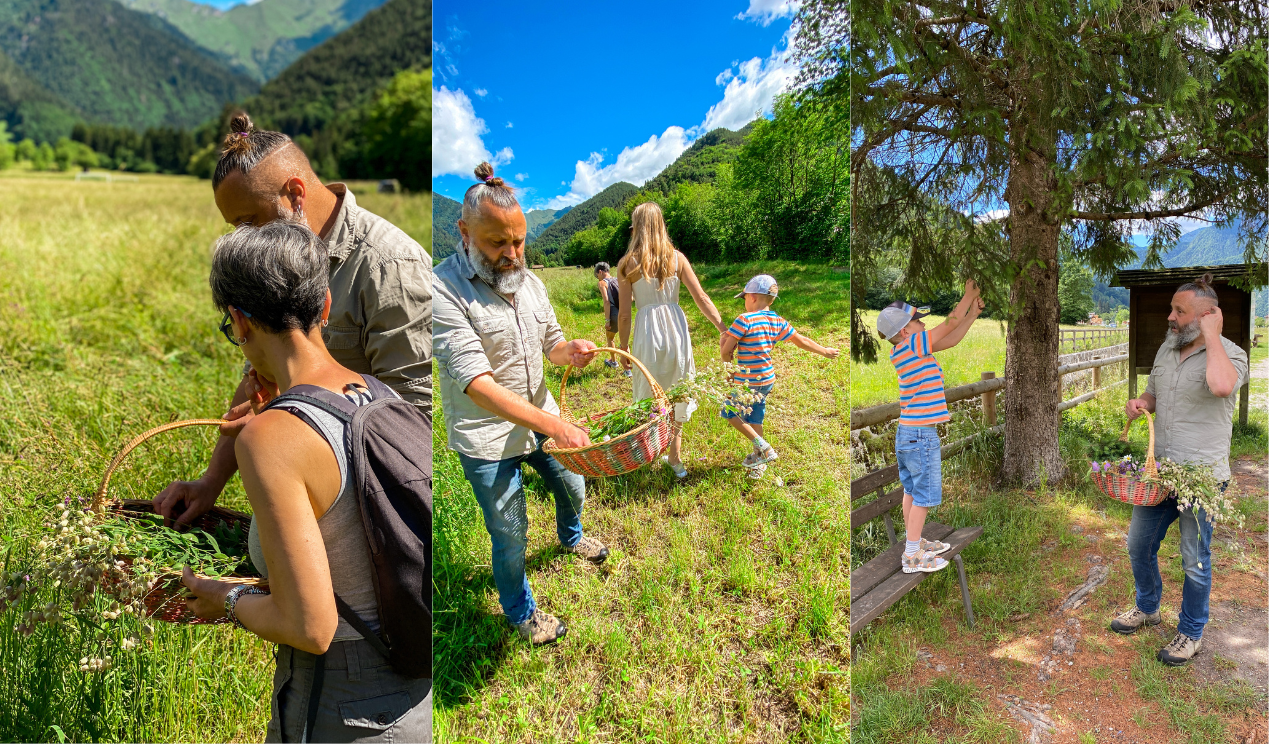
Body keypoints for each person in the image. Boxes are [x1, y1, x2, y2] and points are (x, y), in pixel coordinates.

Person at [181, 221, 430, 743]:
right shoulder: (381, 393)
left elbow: (310, 627)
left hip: (340, 705)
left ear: (239, 321)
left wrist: (222, 599)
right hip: (412, 690)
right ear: (324, 304)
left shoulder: (270, 439)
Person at [154, 113, 432, 528]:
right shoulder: (277, 259)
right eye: (235, 228)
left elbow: (414, 421)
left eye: (248, 222)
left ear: (295, 194)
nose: (244, 238)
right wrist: (210, 481)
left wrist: (288, 426)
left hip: (384, 512)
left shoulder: (390, 266)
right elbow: (258, 376)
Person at [434, 162, 607, 647]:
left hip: (539, 422)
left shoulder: (531, 284)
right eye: (497, 244)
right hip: (487, 439)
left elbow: (550, 343)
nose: (512, 255)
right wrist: (555, 424)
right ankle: (521, 612)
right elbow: (477, 383)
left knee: (573, 485)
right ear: (464, 232)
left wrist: (570, 350)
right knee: (510, 533)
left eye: (519, 242)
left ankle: (571, 538)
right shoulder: (443, 289)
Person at [1112, 273, 1248, 666]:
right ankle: (1148, 607)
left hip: (1201, 479)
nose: (1170, 317)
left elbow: (1222, 387)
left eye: (1179, 311)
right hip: (1160, 474)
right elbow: (1153, 394)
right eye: (1171, 309)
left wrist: (1214, 337)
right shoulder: (1166, 351)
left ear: (1207, 316)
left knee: (1194, 557)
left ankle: (1190, 631)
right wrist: (1140, 403)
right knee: (1139, 544)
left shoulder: (1230, 354)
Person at [876, 282, 985, 574]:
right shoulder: (912, 345)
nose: (924, 323)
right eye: (918, 320)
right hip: (920, 436)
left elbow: (950, 340)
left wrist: (972, 315)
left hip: (908, 434)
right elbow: (948, 325)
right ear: (905, 331)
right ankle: (912, 556)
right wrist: (967, 295)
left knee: (911, 491)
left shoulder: (908, 350)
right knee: (922, 496)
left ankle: (915, 543)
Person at [616, 202, 727, 479]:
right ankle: (675, 458)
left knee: (647, 393)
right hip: (675, 330)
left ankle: (648, 451)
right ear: (661, 225)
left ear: (635, 228)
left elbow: (625, 315)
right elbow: (701, 298)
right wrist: (723, 328)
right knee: (679, 392)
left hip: (646, 333)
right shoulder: (677, 258)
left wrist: (623, 347)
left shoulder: (627, 263)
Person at [720, 274, 840, 480]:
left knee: (729, 412)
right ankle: (760, 459)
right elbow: (801, 341)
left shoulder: (744, 319)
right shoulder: (777, 321)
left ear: (754, 298)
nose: (745, 302)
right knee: (755, 415)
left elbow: (726, 352)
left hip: (747, 380)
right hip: (767, 379)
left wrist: (729, 371)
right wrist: (824, 351)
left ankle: (763, 446)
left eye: (745, 297)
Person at [594, 262, 628, 376]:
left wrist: (607, 321)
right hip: (624, 312)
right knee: (624, 342)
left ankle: (613, 362)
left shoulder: (602, 283)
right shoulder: (618, 280)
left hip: (614, 314)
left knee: (610, 338)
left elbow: (606, 302)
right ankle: (628, 370)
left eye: (597, 275)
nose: (597, 278)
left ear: (600, 271)